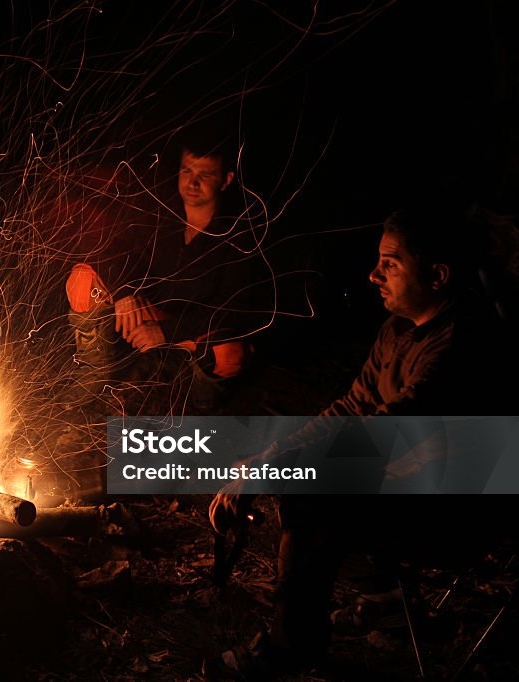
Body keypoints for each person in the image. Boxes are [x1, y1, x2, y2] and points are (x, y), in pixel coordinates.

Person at [205, 208, 512, 678]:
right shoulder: (399, 331)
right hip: (411, 485)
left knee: (313, 498)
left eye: (390, 263)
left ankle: (292, 646)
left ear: (437, 275)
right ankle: (385, 599)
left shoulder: (460, 346)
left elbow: (388, 431)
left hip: (463, 509)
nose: (373, 275)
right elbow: (351, 410)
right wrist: (265, 460)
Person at [65, 138, 265, 412]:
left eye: (204, 175)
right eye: (187, 171)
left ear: (225, 180)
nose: (192, 183)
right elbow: (106, 248)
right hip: (147, 314)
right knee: (84, 279)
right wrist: (123, 293)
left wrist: (167, 332)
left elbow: (231, 309)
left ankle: (199, 405)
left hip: (192, 334)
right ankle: (95, 377)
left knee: (230, 353)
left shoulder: (238, 235)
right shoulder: (160, 213)